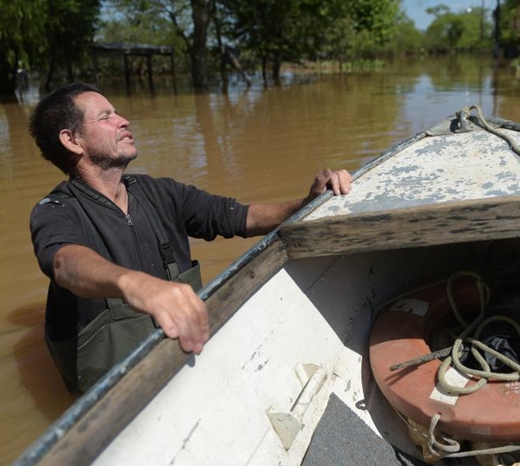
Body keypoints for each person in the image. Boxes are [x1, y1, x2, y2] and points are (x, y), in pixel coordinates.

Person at [28, 83, 352, 392]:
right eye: (106, 117)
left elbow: (240, 217)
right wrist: (135, 284)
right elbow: (65, 263)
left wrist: (309, 203)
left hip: (186, 367)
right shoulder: (55, 210)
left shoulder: (163, 193)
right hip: (109, 395)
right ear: (72, 141)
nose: (123, 121)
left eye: (117, 113)